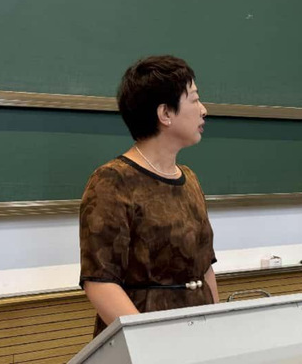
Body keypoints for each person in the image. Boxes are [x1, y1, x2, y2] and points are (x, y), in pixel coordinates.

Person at [79, 55, 219, 337]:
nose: (204, 110)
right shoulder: (112, 180)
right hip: (144, 335)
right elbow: (100, 282)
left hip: (198, 332)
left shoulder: (189, 179)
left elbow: (205, 268)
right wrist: (148, 342)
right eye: (194, 100)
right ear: (165, 113)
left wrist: (217, 325)